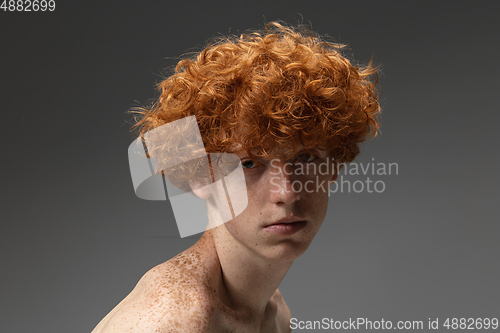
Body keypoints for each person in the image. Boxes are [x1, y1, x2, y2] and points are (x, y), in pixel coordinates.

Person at [91, 21, 380, 333]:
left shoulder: (273, 313)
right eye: (250, 164)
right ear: (201, 176)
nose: (287, 192)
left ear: (332, 166)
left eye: (305, 157)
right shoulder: (173, 321)